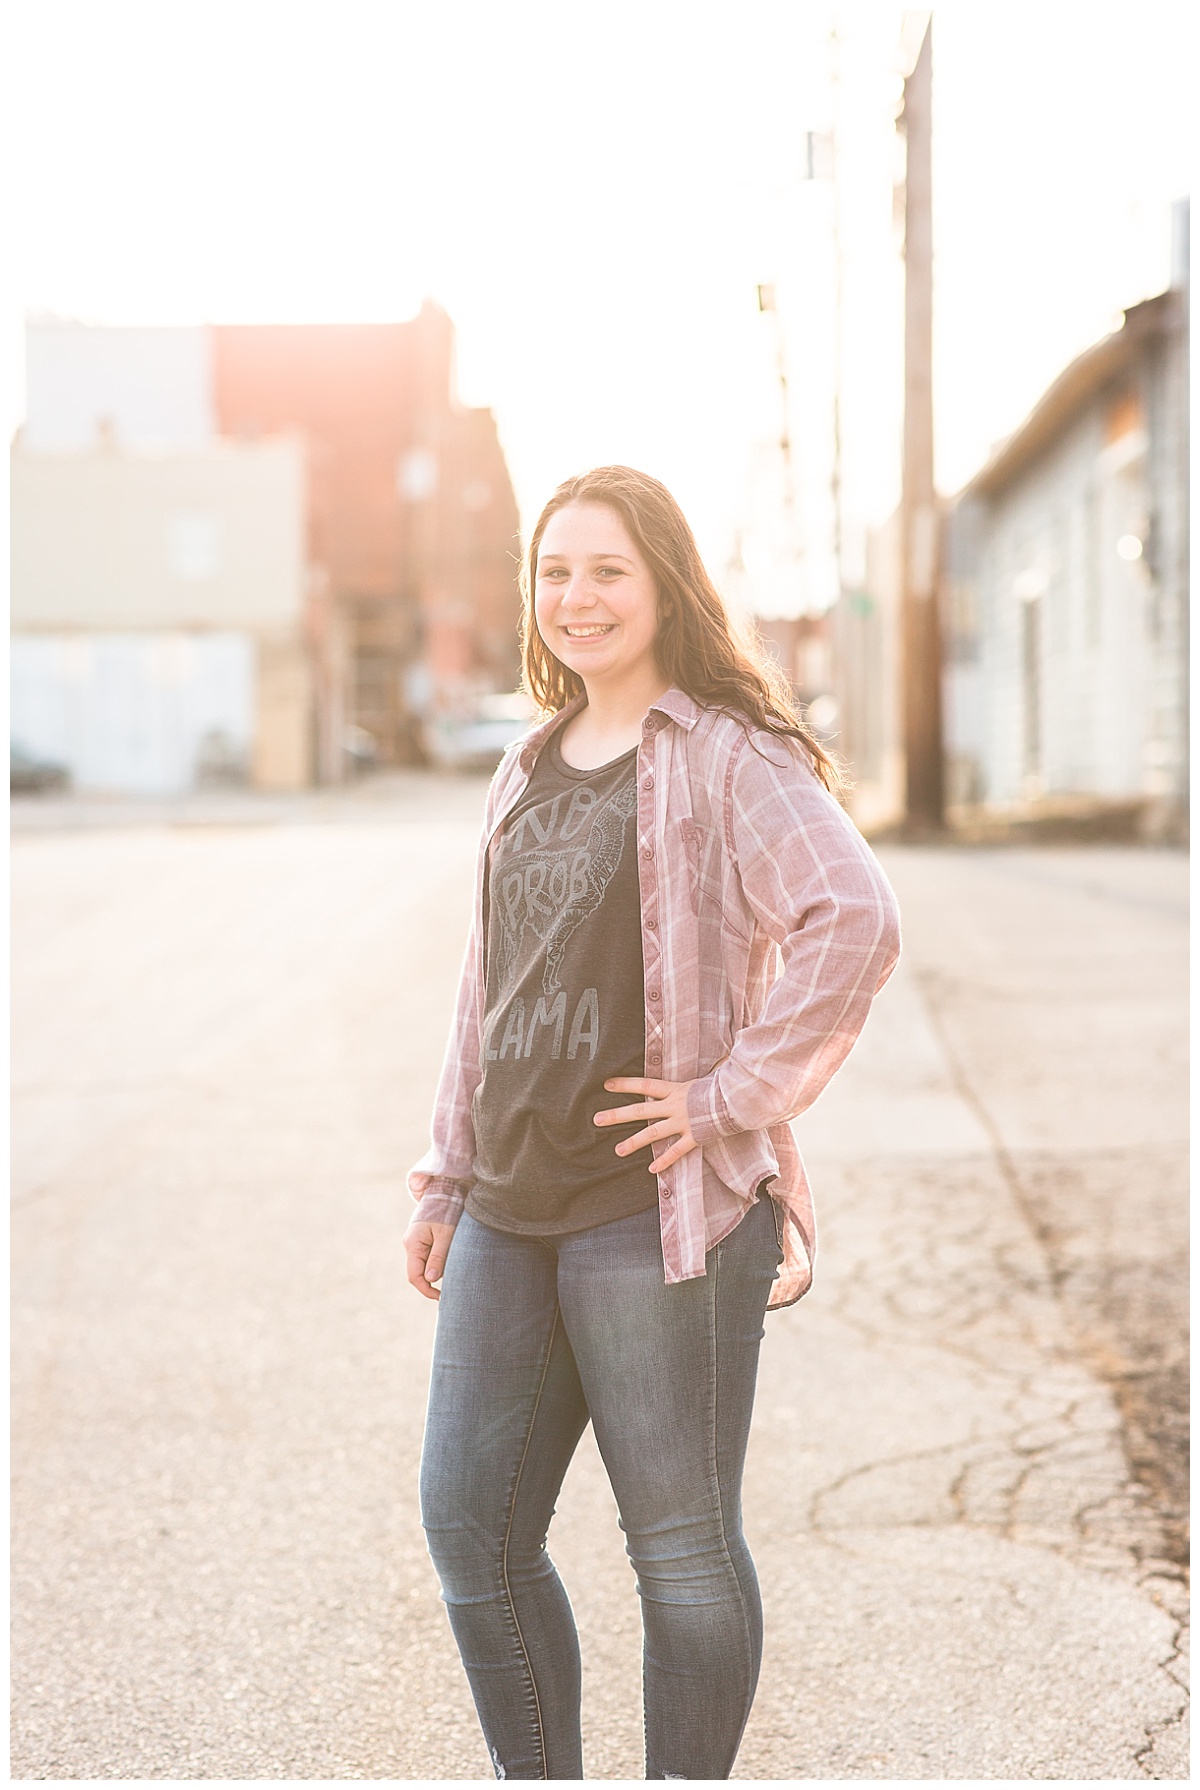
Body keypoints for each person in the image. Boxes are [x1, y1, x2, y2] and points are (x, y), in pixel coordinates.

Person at [404, 465, 901, 1781]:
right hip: (510, 1200)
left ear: (665, 585)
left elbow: (855, 919)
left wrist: (731, 1096)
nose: (577, 597)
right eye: (555, 571)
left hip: (656, 1208)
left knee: (677, 1546)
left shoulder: (730, 754)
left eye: (607, 569)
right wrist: (442, 1171)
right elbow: (487, 982)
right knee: (471, 1525)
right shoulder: (523, 763)